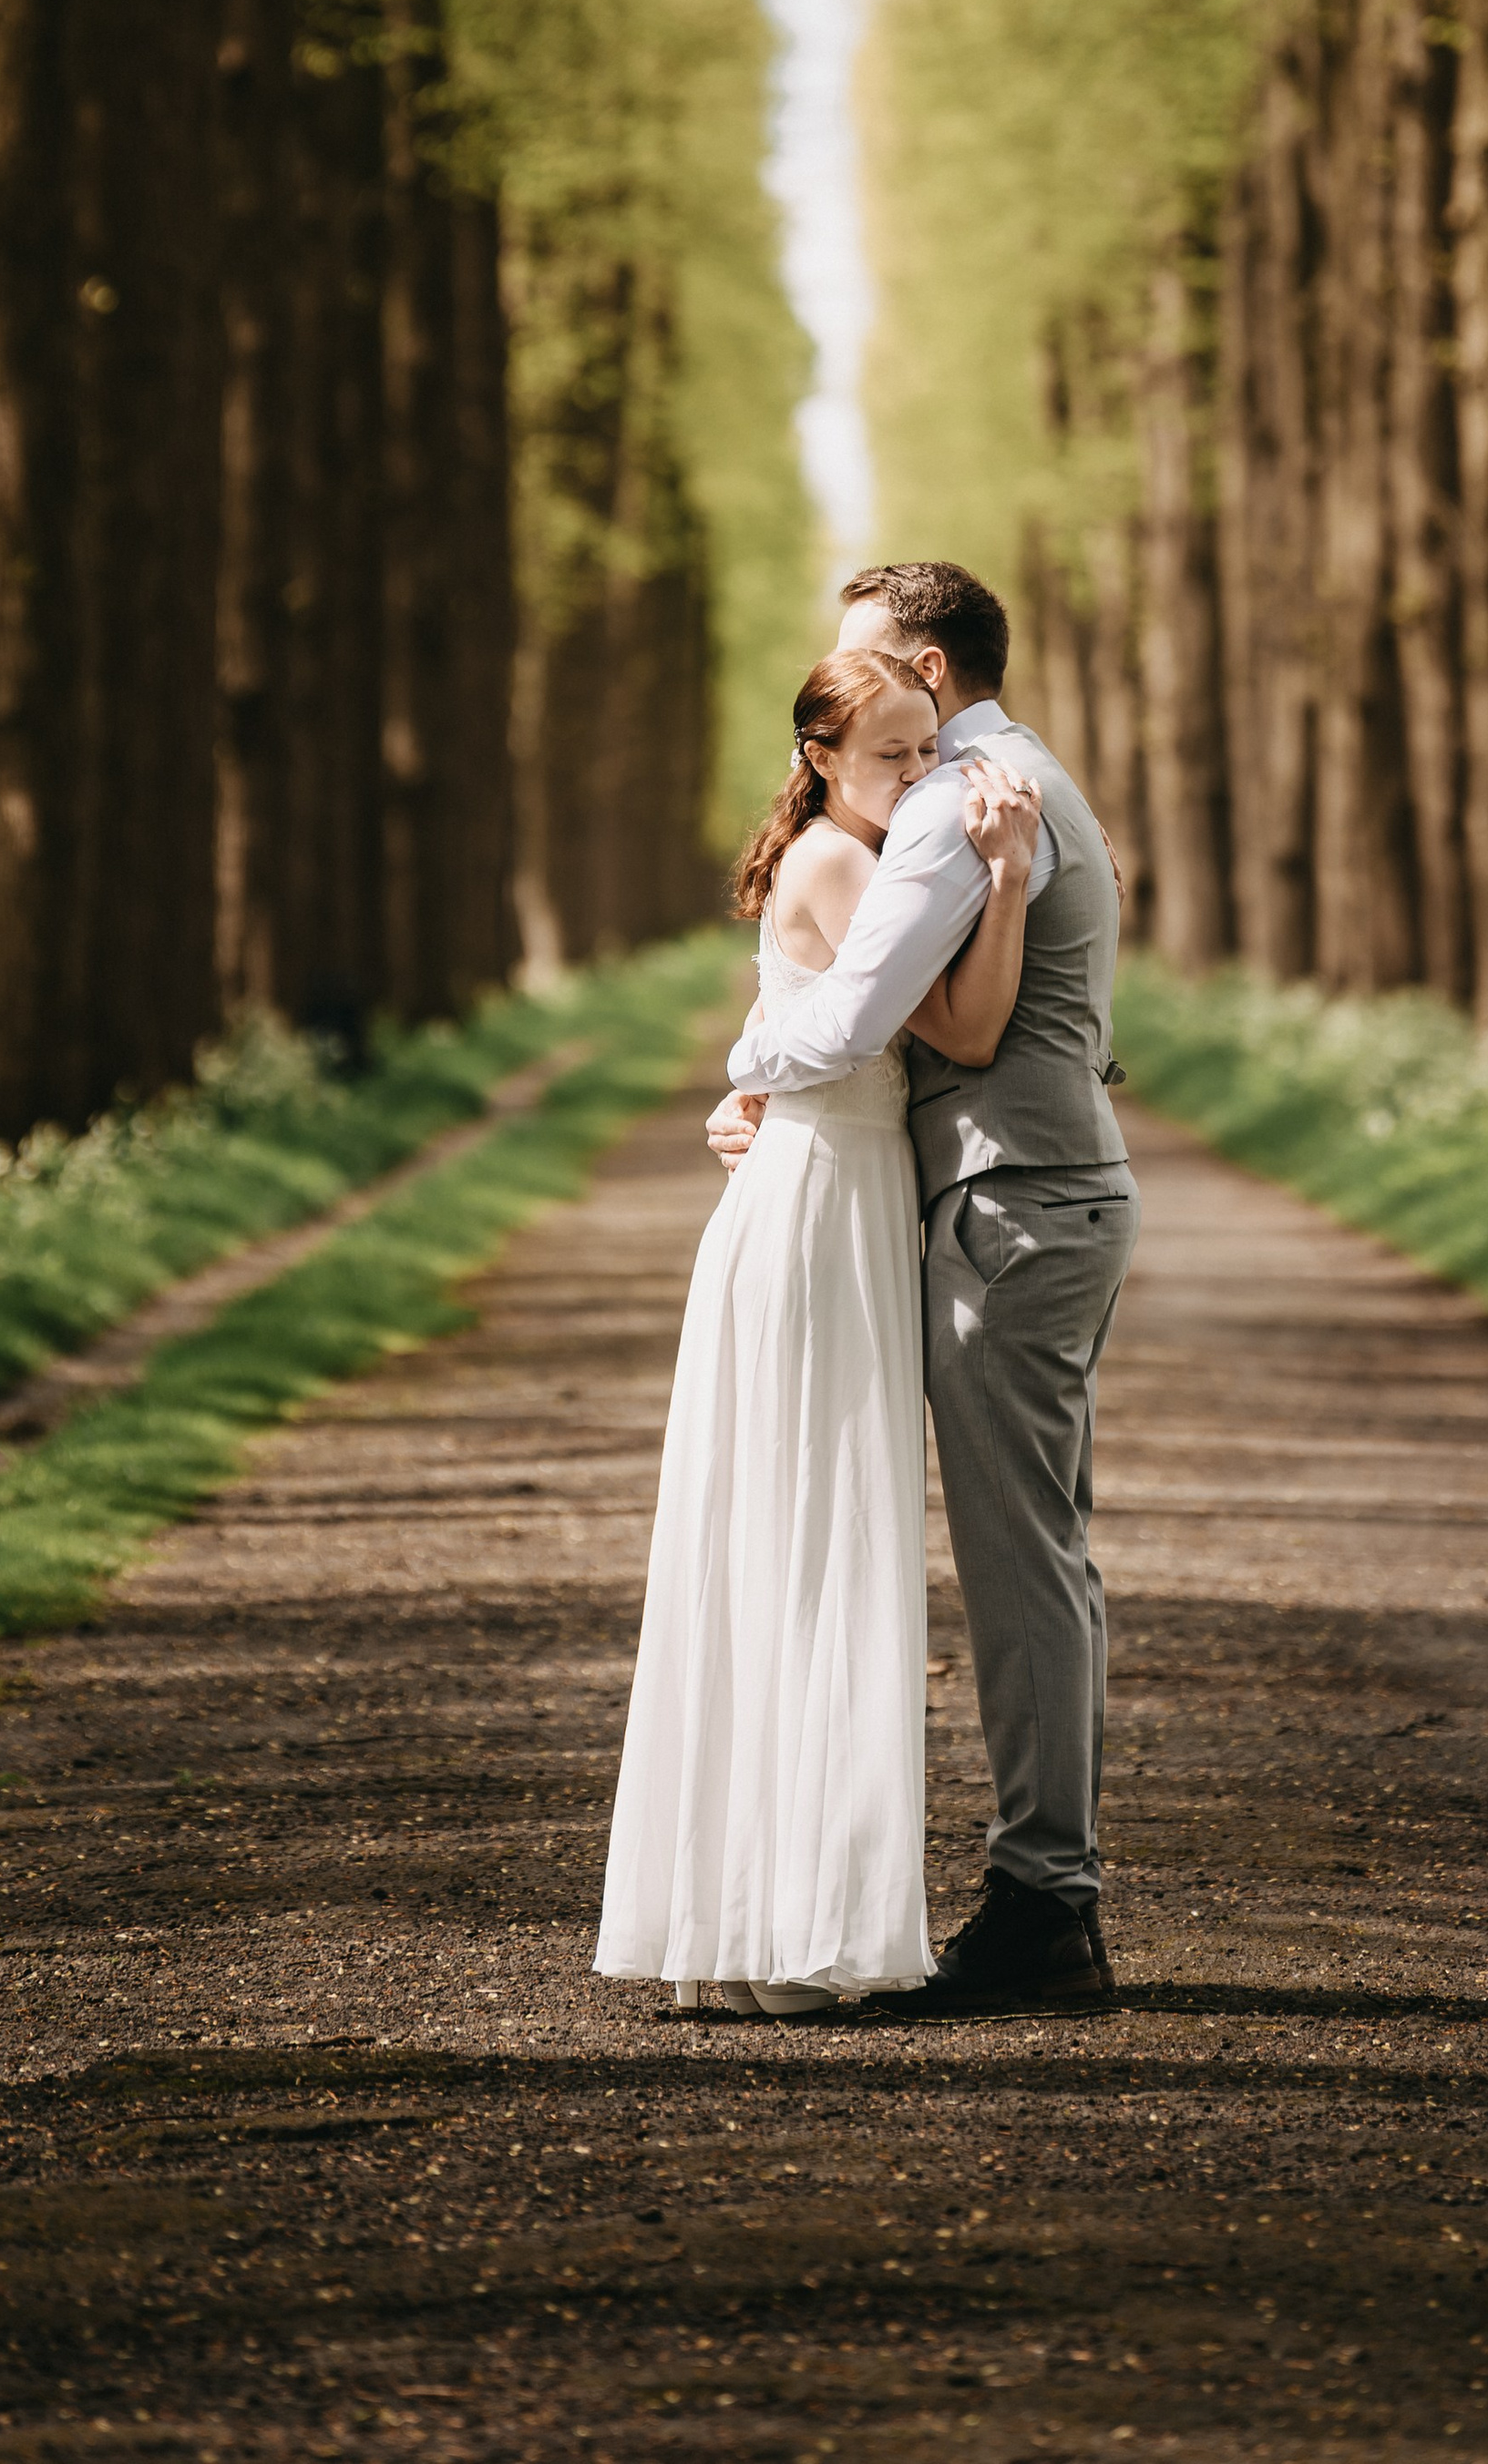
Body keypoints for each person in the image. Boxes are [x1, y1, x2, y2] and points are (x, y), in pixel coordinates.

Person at [710, 560, 1140, 2019]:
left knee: (1022, 1563)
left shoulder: (964, 798)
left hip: (1014, 1206)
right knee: (1037, 1552)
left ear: (929, 670)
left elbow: (866, 1016)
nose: (860, 691)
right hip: (1031, 1192)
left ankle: (1046, 1905)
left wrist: (747, 1070)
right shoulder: (1021, 779)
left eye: (873, 664)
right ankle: (1045, 1891)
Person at [594, 647, 1045, 2016]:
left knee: (786, 1538)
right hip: (820, 1207)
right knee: (815, 1535)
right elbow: (965, 1033)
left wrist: (752, 1081)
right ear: (822, 758)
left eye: (926, 749)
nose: (917, 773)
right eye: (889, 753)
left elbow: (832, 1029)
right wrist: (1007, 880)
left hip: (828, 1193)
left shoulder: (846, 858)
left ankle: (749, 1932)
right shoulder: (847, 866)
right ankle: (787, 1934)